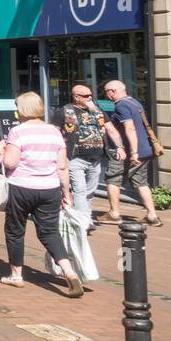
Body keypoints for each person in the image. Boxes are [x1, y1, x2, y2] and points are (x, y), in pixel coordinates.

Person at [0, 91, 83, 297]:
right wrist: (66, 193)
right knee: (49, 232)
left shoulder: (17, 132)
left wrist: (1, 150)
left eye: (18, 108)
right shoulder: (54, 132)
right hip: (50, 188)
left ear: (23, 110)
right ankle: (69, 273)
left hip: (22, 187)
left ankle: (16, 275)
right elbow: (62, 166)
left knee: (15, 230)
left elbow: (10, 163)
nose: (16, 111)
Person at [52, 83, 124, 234]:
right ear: (76, 97)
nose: (90, 98)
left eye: (91, 95)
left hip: (96, 158)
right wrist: (58, 152)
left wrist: (120, 147)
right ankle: (82, 223)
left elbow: (111, 130)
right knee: (80, 190)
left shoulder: (97, 111)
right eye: (86, 96)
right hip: (75, 158)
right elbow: (54, 133)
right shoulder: (64, 112)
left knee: (90, 192)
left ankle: (85, 218)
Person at [100, 80, 164, 227]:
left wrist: (133, 152)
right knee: (141, 182)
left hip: (129, 152)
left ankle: (114, 214)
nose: (106, 95)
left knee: (113, 179)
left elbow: (130, 128)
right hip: (145, 150)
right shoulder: (134, 102)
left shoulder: (121, 105)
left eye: (106, 92)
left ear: (113, 92)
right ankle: (152, 215)